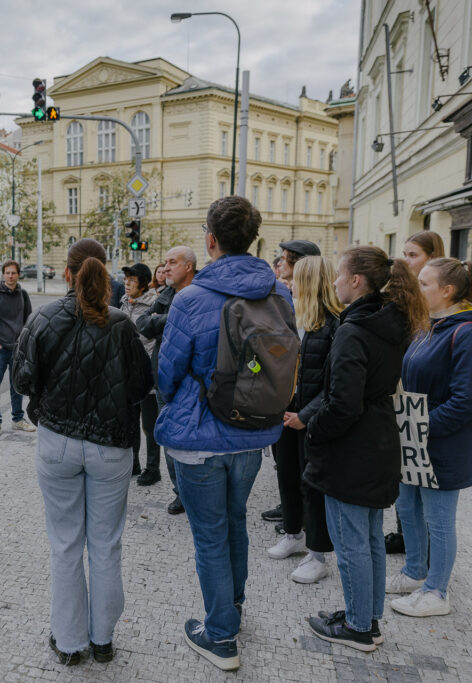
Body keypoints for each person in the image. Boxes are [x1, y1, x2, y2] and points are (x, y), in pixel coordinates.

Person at [155, 197, 291, 671]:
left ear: (210, 241)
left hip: (200, 439)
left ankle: (220, 636)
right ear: (253, 239)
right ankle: (232, 606)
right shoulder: (279, 293)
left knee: (210, 535)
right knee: (235, 521)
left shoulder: (192, 298)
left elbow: (168, 371)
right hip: (254, 431)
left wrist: (174, 403)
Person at [13, 239, 153, 666]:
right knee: (106, 545)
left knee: (65, 545)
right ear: (103, 273)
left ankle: (70, 642)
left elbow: (21, 379)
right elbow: (143, 385)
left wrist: (48, 401)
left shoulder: (44, 319)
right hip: (111, 447)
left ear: (68, 273)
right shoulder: (122, 325)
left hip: (58, 444)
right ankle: (103, 639)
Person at [303, 246, 429, 652]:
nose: (336, 281)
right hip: (377, 443)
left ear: (357, 281)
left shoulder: (356, 329)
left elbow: (342, 403)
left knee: (353, 542)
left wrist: (314, 432)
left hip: (353, 451)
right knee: (370, 538)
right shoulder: (388, 321)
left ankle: (358, 627)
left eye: (340, 275)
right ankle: (367, 618)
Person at [387, 259, 472, 617]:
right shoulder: (430, 326)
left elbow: (466, 400)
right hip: (414, 437)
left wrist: (421, 428)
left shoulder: (468, 333)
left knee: (438, 518)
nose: (416, 289)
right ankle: (415, 571)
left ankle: (437, 591)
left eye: (424, 283)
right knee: (408, 508)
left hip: (442, 442)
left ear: (446, 291)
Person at [268, 256, 343, 584]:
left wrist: (305, 415)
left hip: (310, 417)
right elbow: (271, 358)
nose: (290, 283)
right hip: (284, 412)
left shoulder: (333, 324)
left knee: (312, 485)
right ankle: (293, 532)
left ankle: (318, 554)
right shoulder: (290, 316)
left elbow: (333, 383)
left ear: (310, 281)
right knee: (286, 475)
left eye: (296, 278)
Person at [386, 231, 446, 554]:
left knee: (421, 476)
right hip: (402, 393)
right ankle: (404, 534)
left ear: (431, 256)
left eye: (413, 255)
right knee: (404, 473)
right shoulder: (407, 293)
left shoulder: (434, 300)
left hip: (424, 400)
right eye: (405, 253)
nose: (405, 260)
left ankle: (422, 547)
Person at [260, 239, 322, 525]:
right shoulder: (284, 298)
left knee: (303, 465)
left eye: (285, 259)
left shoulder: (318, 308)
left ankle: (304, 522)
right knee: (283, 461)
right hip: (281, 393)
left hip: (306, 398)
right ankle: (290, 512)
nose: (280, 263)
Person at [136, 245, 198, 515]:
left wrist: (159, 320)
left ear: (188, 266)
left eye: (172, 262)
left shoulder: (201, 293)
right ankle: (181, 493)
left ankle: (200, 489)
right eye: (165, 262)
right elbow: (142, 323)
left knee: (193, 438)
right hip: (164, 377)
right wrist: (170, 318)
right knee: (170, 437)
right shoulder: (167, 294)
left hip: (194, 379)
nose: (166, 267)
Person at [0, 259, 35, 436]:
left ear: (18, 274)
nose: (10, 276)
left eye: (13, 273)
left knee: (17, 387)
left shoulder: (23, 295)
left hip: (17, 350)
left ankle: (18, 419)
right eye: (7, 273)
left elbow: (29, 321)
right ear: (3, 274)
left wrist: (24, 344)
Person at [119, 263, 161, 484]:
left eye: (132, 281)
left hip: (147, 373)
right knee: (131, 421)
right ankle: (133, 463)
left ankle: (153, 468)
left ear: (143, 284)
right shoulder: (124, 302)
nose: (127, 284)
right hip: (128, 373)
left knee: (150, 424)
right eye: (126, 280)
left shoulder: (154, 304)